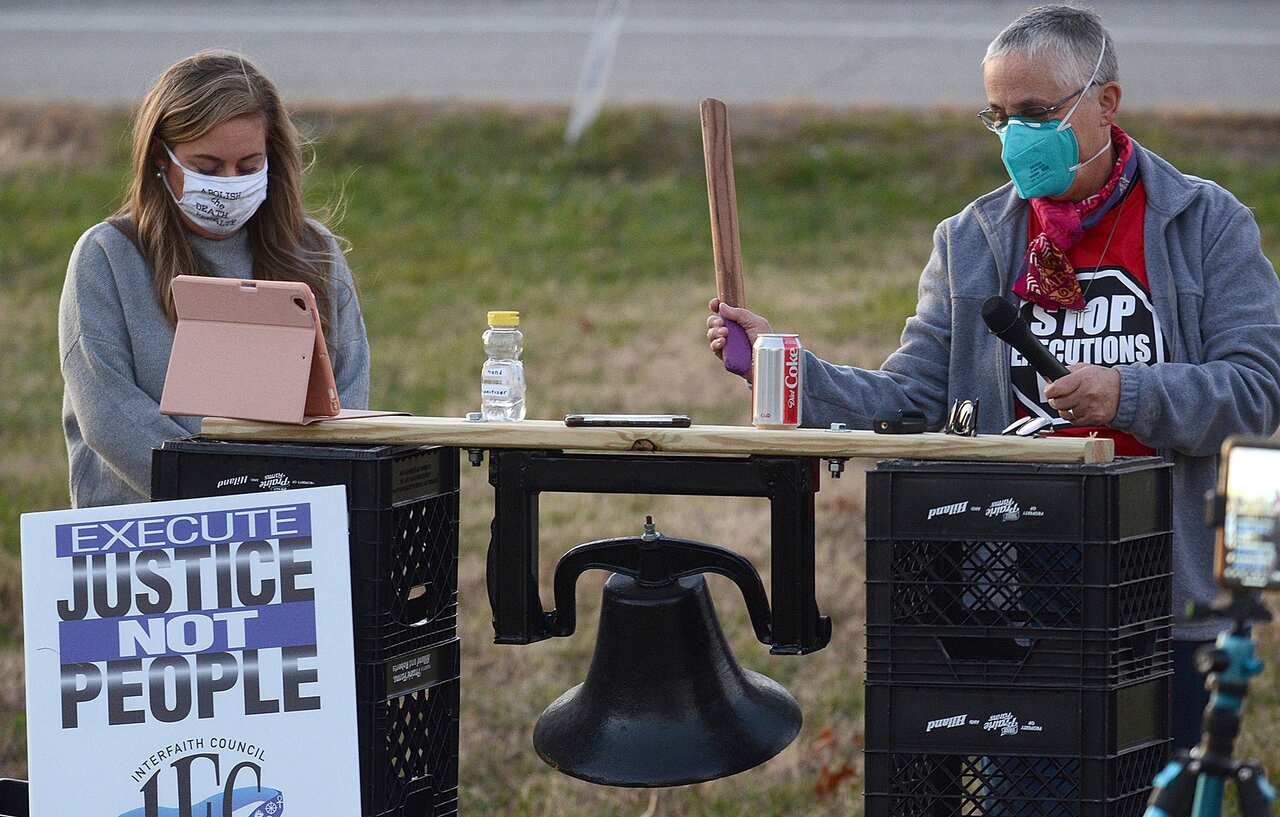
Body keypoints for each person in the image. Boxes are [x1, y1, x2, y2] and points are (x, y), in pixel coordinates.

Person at [706, 5, 1280, 752]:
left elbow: (1256, 390)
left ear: (1107, 103)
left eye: (1037, 112)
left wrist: (1125, 393)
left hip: (1165, 594)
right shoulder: (972, 240)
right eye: (999, 116)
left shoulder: (1204, 223)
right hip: (1013, 597)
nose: (1017, 136)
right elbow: (914, 400)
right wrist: (782, 368)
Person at [59, 50, 370, 508]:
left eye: (248, 167)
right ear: (160, 160)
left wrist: (283, 498)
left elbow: (348, 396)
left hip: (290, 528)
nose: (229, 182)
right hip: (147, 533)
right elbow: (109, 415)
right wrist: (225, 500)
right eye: (206, 168)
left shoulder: (315, 250)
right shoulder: (106, 255)